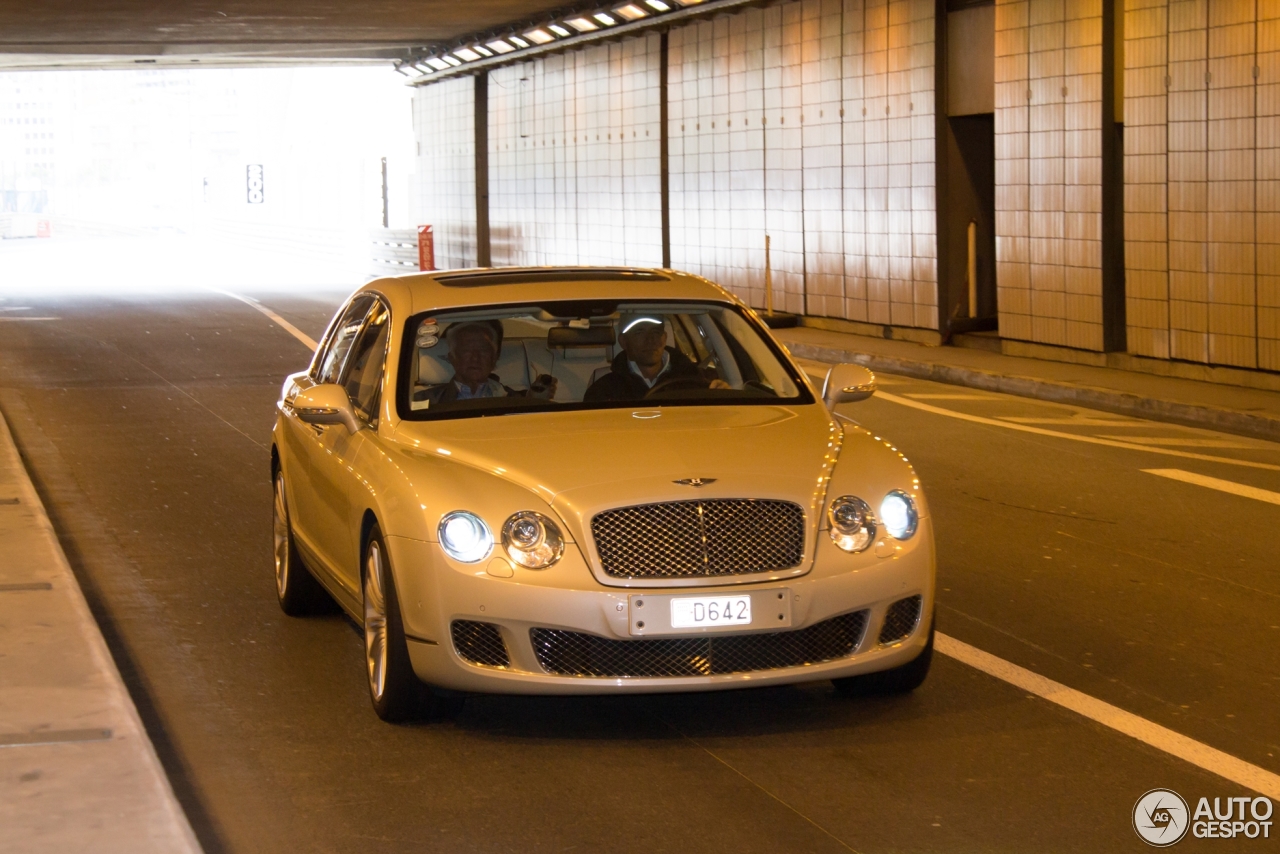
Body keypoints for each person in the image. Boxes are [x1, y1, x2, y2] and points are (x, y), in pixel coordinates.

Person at [584, 313, 725, 402]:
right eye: (640, 332)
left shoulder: (698, 381)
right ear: (623, 341)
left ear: (664, 339)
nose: (650, 340)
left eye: (656, 332)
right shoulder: (603, 391)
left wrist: (724, 393)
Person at [414, 320, 556, 407]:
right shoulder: (423, 402)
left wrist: (533, 402)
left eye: (483, 350)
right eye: (466, 350)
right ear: (452, 357)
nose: (475, 358)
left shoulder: (515, 399)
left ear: (495, 358)